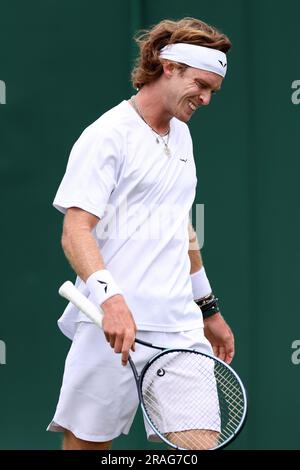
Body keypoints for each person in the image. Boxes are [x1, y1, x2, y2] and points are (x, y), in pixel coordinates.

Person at [47, 17, 234, 450]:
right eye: (201, 85)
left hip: (180, 330)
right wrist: (111, 300)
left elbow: (180, 225)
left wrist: (207, 309)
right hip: (110, 325)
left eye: (213, 91)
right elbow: (75, 229)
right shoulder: (107, 136)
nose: (206, 98)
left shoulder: (183, 137)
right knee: (88, 448)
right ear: (168, 67)